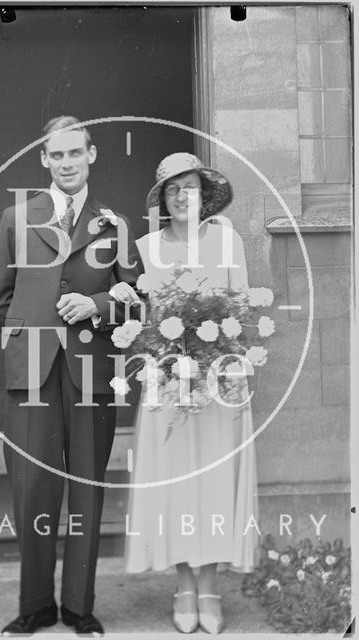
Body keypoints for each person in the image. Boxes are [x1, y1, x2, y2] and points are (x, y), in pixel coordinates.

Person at [0, 115, 143, 637]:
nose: (68, 163)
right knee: (32, 490)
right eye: (58, 155)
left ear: (92, 155)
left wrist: (96, 304)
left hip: (92, 374)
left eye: (77, 153)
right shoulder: (16, 217)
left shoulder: (113, 225)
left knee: (87, 491)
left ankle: (78, 605)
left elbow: (136, 301)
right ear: (45, 160)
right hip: (32, 374)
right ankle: (35, 606)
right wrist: (39, 332)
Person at [122, 153, 259, 634]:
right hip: (167, 384)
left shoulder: (228, 240)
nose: (183, 196)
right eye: (173, 189)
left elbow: (240, 304)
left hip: (218, 383)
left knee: (216, 485)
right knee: (177, 486)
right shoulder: (145, 247)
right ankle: (183, 585)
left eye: (191, 187)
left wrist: (233, 362)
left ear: (205, 194)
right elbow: (144, 320)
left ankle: (210, 586)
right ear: (162, 199)